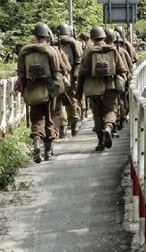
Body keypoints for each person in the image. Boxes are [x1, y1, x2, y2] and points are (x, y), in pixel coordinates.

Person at [16, 23, 65, 163]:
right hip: (49, 89)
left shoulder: (25, 51)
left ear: (35, 35)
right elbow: (57, 71)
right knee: (50, 117)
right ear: (47, 35)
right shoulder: (51, 50)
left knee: (36, 118)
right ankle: (48, 150)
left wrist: (23, 90)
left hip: (32, 90)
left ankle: (37, 140)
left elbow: (21, 74)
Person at [76, 26, 129, 152]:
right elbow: (122, 69)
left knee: (97, 113)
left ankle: (100, 142)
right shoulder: (113, 50)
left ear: (92, 38)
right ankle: (109, 128)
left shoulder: (88, 52)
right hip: (110, 86)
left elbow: (82, 73)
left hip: (93, 88)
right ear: (104, 37)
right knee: (110, 110)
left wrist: (79, 94)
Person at [55, 23, 83, 136]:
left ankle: (63, 126)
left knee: (60, 100)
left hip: (57, 74)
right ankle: (75, 121)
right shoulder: (75, 43)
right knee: (72, 98)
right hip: (71, 73)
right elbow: (80, 58)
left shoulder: (54, 43)